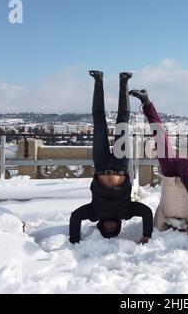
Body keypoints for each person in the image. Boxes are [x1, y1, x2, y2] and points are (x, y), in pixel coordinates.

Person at [69, 71, 153, 245]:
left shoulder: (94, 213)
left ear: (100, 226)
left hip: (100, 165)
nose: (108, 225)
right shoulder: (126, 212)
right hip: (121, 165)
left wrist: (74, 240)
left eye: (105, 228)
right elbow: (146, 212)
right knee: (123, 121)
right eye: (111, 229)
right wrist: (147, 234)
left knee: (99, 124)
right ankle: (124, 81)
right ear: (117, 226)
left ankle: (98, 80)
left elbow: (76, 216)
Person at [129, 89, 188, 236]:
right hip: (186, 173)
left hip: (169, 174)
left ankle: (146, 102)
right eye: (179, 226)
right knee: (184, 166)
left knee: (160, 138)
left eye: (172, 225)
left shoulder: (163, 211)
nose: (175, 226)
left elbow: (158, 227)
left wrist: (166, 225)